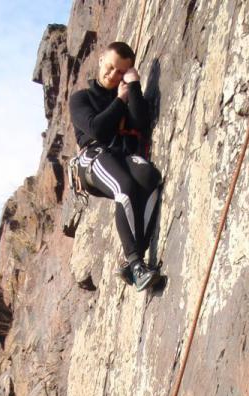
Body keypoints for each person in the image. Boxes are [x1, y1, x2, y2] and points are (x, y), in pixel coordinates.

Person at [69, 41, 162, 292]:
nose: (112, 75)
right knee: (126, 186)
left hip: (119, 156)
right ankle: (137, 264)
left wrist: (133, 86)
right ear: (101, 61)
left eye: (120, 71)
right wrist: (120, 99)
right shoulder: (81, 98)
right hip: (92, 159)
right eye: (109, 67)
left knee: (149, 177)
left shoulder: (125, 90)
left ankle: (132, 263)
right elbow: (97, 129)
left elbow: (140, 122)